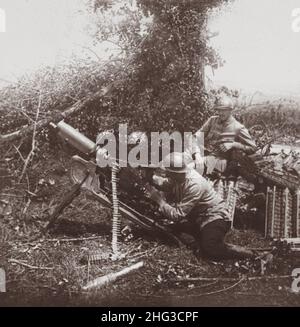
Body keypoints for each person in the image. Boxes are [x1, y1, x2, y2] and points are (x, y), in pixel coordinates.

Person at [145, 152, 256, 260]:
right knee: (167, 228)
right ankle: (197, 241)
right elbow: (166, 184)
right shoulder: (179, 177)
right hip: (198, 218)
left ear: (174, 173)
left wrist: (159, 201)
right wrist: (151, 178)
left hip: (215, 216)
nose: (166, 174)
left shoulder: (194, 184)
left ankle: (250, 254)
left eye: (168, 172)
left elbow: (177, 215)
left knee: (210, 248)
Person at [192, 96, 257, 176]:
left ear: (230, 110)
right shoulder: (212, 120)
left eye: (224, 110)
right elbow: (196, 137)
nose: (221, 113)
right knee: (176, 160)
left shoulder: (238, 127)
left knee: (187, 167)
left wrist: (233, 144)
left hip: (219, 161)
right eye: (219, 110)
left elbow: (253, 148)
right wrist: (197, 154)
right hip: (203, 154)